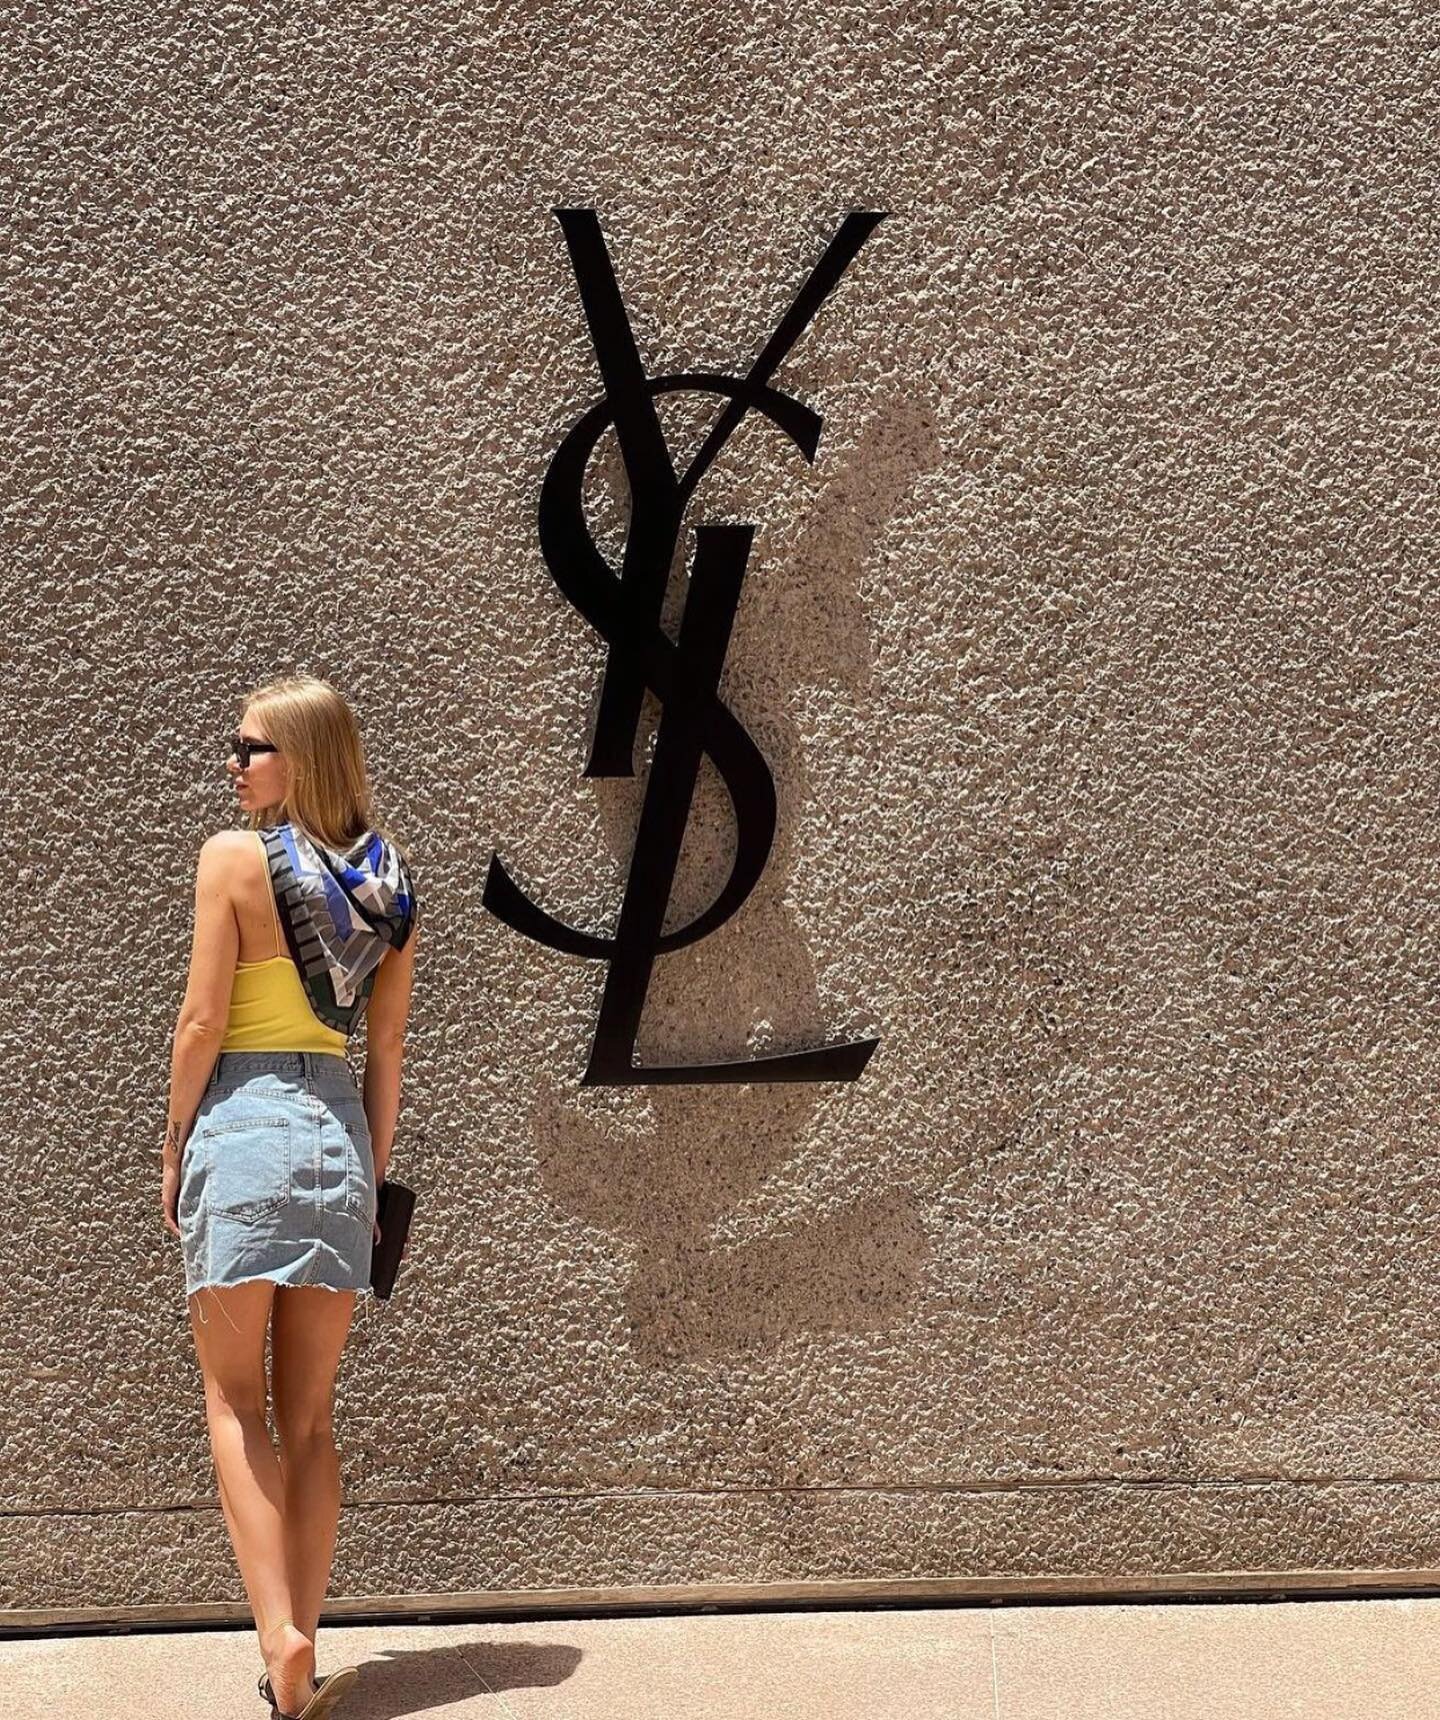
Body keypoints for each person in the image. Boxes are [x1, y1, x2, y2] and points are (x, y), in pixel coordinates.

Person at [160, 675, 420, 1720]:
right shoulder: (389, 884)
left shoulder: (231, 859)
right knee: (310, 1416)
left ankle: (278, 1634)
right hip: (336, 1147)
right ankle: (298, 1662)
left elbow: (199, 1021)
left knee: (232, 1401)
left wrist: (176, 1139)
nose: (234, 761)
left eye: (252, 747)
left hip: (244, 1126)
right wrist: (365, 1175)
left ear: (302, 758)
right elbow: (387, 1051)